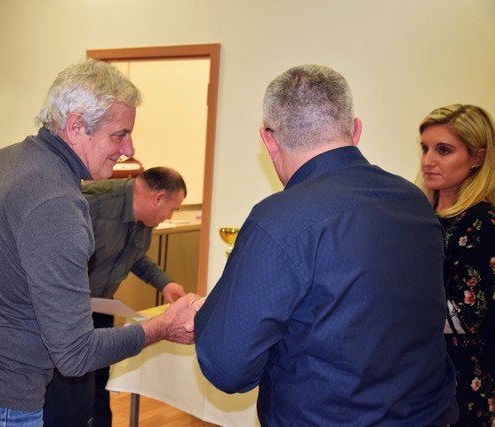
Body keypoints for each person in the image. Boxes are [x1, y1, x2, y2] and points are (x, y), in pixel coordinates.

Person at [0, 59, 199, 426]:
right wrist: (161, 326)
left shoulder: (5, 159)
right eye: (120, 134)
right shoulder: (57, 204)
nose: (129, 149)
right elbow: (76, 354)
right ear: (76, 126)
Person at [193, 64, 458, 426]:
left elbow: (227, 368)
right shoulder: (413, 200)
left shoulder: (281, 219)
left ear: (269, 140)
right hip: (429, 414)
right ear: (356, 130)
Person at [44, 166, 187, 426]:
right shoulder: (93, 203)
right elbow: (54, 255)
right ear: (158, 198)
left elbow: (135, 257)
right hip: (68, 312)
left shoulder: (145, 221)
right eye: (173, 209)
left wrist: (164, 283)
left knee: (99, 381)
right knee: (67, 389)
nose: (170, 216)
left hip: (101, 308)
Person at [417, 104, 495, 426]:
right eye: (425, 148)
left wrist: (398, 316)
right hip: (419, 375)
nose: (428, 160)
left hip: (460, 382)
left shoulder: (482, 221)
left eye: (443, 150)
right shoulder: (419, 215)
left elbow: (468, 314)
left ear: (477, 158)